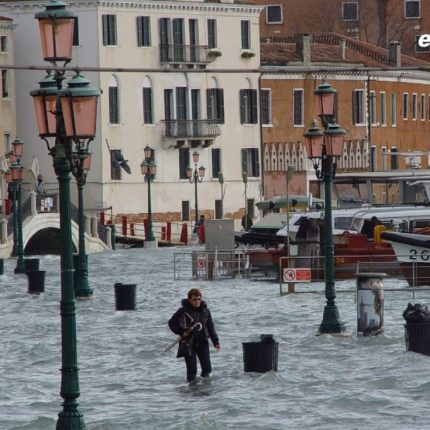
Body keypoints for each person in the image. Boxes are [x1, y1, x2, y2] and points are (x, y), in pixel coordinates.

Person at [168, 288, 220, 383]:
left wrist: (215, 341)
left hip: (203, 342)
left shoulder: (206, 311)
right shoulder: (183, 311)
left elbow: (210, 326)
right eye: (194, 299)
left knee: (207, 368)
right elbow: (171, 323)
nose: (197, 302)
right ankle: (192, 392)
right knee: (192, 371)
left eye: (199, 299)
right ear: (189, 300)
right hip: (188, 343)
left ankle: (205, 390)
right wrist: (180, 331)